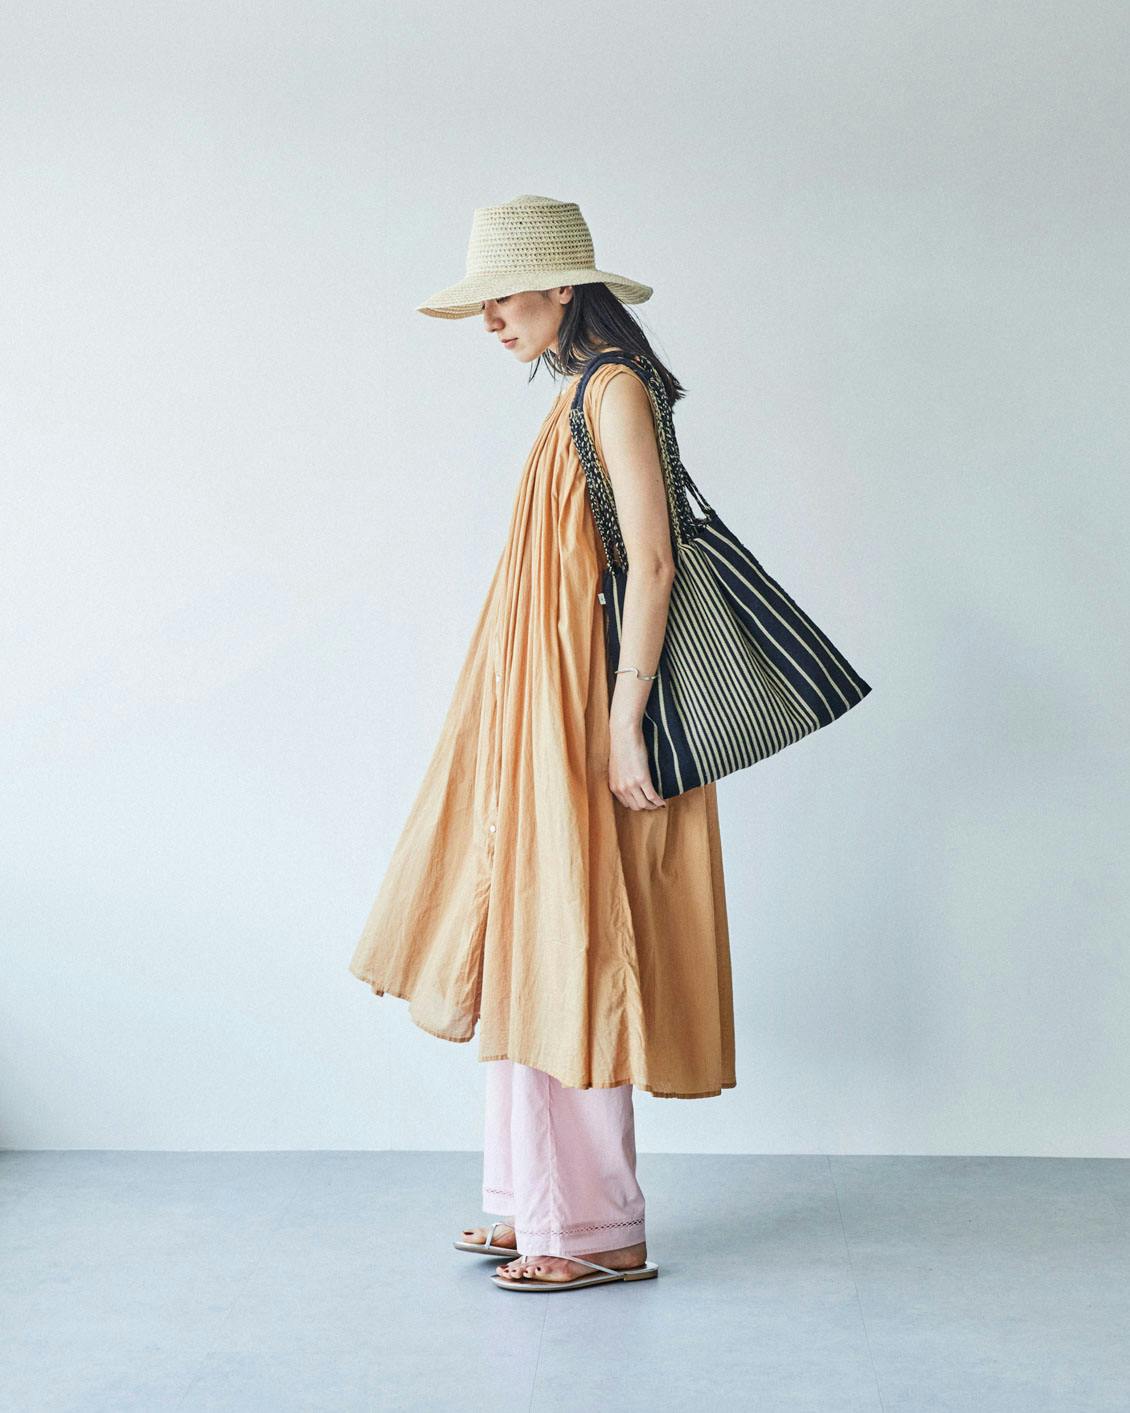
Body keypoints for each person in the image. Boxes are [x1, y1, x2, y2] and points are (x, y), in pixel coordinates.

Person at [349, 194, 735, 1293]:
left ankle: (598, 1226)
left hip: (581, 709)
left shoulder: (613, 389)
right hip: (542, 706)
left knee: (572, 938)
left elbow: (651, 562)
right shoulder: (578, 391)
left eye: (502, 297)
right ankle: (539, 1204)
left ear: (563, 286)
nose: (489, 320)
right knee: (533, 931)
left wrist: (622, 724)